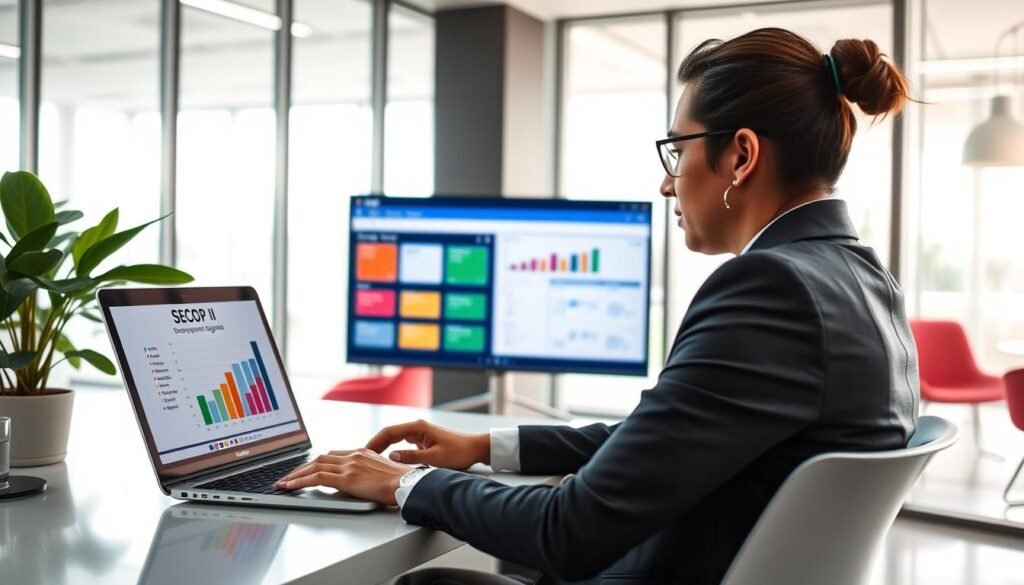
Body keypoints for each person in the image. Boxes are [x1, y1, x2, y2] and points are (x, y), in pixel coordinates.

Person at [275, 27, 919, 585]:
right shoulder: (861, 279)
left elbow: (571, 531)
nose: (667, 181)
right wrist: (487, 446)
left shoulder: (768, 288)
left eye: (679, 149)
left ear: (741, 155)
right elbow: (667, 440)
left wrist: (400, 483)